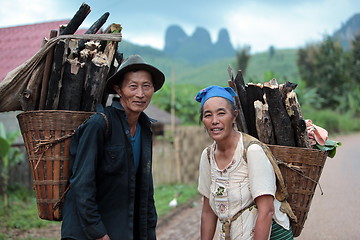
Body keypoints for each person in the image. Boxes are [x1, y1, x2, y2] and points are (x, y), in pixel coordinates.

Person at [61, 55, 165, 240]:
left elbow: (145, 189)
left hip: (123, 231)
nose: (140, 94)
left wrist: (149, 232)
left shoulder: (145, 128)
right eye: (132, 86)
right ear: (119, 89)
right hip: (89, 233)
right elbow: (82, 184)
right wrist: (98, 233)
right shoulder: (99, 125)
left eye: (146, 86)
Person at [195, 85, 294, 240]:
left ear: (234, 116)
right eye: (208, 115)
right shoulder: (207, 156)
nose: (214, 121)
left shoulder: (252, 152)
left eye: (221, 113)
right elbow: (208, 211)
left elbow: (266, 210)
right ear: (202, 120)